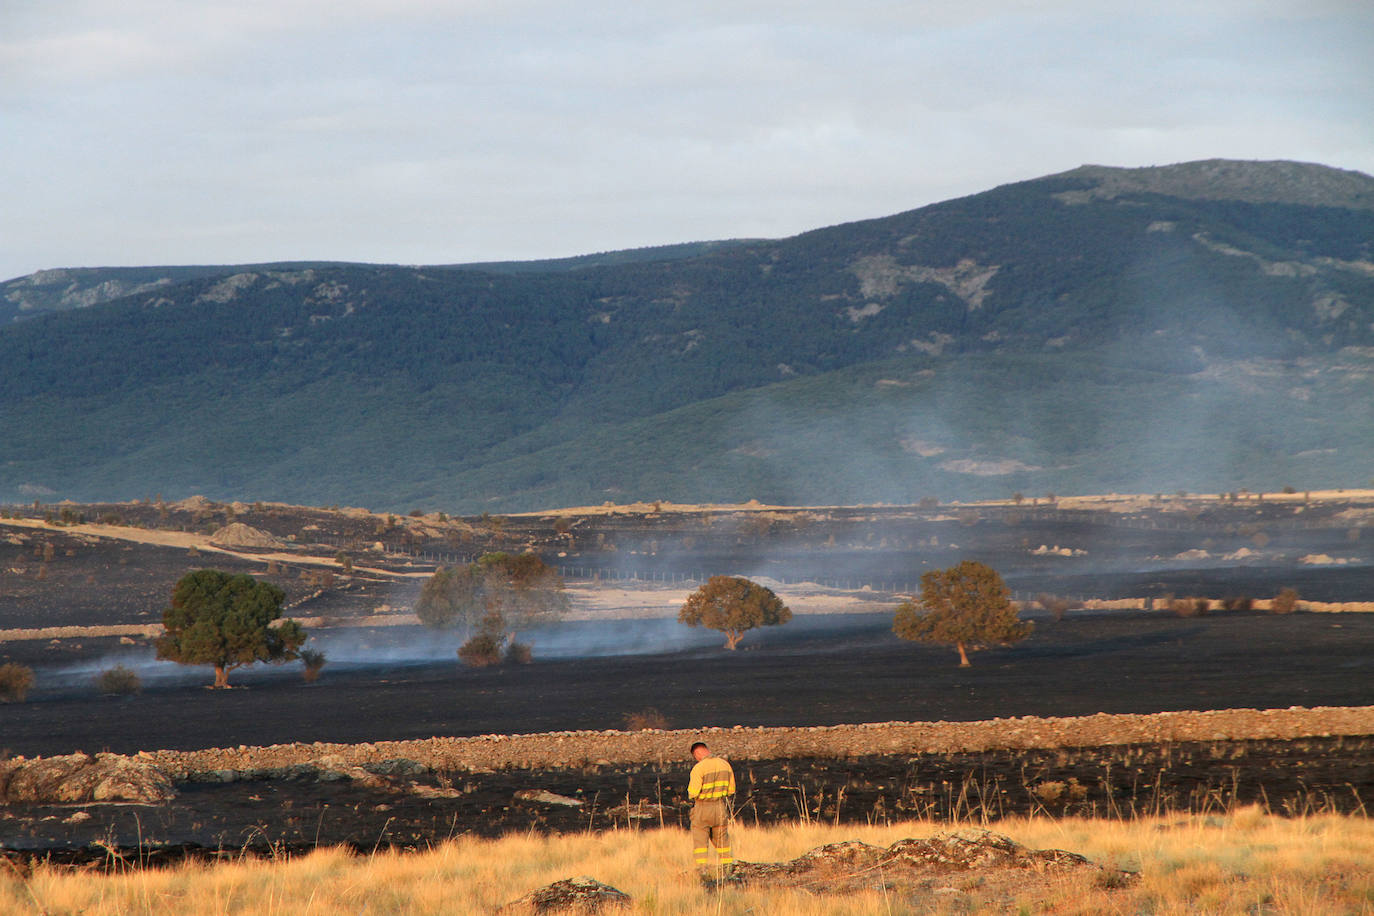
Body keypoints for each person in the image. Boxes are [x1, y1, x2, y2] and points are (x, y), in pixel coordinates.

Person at [687, 741, 735, 875]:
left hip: (703, 808)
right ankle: (728, 869)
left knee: (700, 842)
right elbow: (731, 790)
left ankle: (701, 871)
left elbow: (693, 793)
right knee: (722, 841)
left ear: (697, 753)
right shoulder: (725, 765)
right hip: (720, 808)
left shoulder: (699, 768)